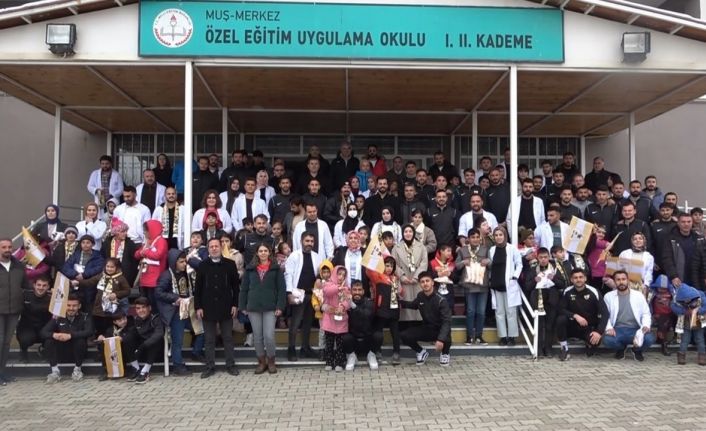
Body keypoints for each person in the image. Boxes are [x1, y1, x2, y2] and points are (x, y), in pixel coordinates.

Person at [195, 237, 240, 378]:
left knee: (227, 337)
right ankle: (210, 366)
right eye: (211, 246)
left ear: (221, 247)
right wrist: (198, 306)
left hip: (226, 306)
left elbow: (235, 287)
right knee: (209, 339)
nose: (214, 249)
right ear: (208, 249)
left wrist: (235, 304)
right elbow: (198, 289)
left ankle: (230, 365)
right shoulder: (202, 265)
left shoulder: (230, 264)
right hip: (207, 307)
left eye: (216, 246)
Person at [155, 249, 197, 376]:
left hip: (188, 309)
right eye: (181, 262)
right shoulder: (166, 275)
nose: (184, 264)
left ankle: (196, 353)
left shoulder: (186, 274)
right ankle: (177, 365)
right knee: (177, 340)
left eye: (185, 261)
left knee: (200, 330)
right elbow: (158, 292)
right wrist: (175, 298)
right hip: (175, 312)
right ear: (174, 262)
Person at [400, 271, 452, 366]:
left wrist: (440, 339)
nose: (425, 284)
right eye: (422, 282)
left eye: (427, 281)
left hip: (440, 330)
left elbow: (446, 322)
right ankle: (421, 352)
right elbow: (413, 305)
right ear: (420, 284)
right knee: (405, 335)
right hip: (427, 329)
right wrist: (399, 302)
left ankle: (445, 353)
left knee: (446, 335)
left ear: (432, 282)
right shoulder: (420, 296)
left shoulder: (441, 300)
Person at [285, 232, 323, 361]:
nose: (309, 244)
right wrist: (289, 293)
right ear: (301, 241)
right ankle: (291, 349)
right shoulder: (294, 255)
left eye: (312, 241)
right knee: (295, 323)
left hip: (311, 295)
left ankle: (305, 348)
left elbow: (320, 274)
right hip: (298, 294)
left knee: (307, 323)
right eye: (307, 241)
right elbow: (288, 274)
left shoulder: (317, 256)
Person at [602, 270, 655, 361]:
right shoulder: (608, 296)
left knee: (650, 338)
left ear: (628, 280)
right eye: (618, 280)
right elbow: (605, 315)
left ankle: (637, 350)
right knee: (607, 340)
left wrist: (646, 325)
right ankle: (621, 349)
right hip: (617, 329)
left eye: (623, 279)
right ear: (614, 281)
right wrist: (609, 328)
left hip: (636, 329)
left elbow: (646, 313)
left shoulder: (638, 295)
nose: (621, 282)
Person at [555, 269, 607, 361]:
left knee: (596, 342)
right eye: (575, 278)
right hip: (571, 327)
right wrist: (575, 316)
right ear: (571, 280)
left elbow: (605, 313)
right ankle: (564, 348)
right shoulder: (567, 291)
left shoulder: (594, 291)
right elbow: (560, 309)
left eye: (580, 277)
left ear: (585, 278)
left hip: (587, 327)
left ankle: (588, 343)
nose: (578, 280)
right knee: (561, 319)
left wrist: (599, 332)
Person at [42, 294, 93, 383]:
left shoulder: (85, 317)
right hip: (61, 351)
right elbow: (43, 332)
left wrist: (70, 335)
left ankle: (77, 370)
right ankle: (55, 372)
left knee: (80, 340)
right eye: (68, 305)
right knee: (49, 341)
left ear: (79, 306)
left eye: (74, 306)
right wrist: (55, 335)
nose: (71, 308)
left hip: (77, 352)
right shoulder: (58, 317)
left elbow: (89, 331)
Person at [75, 257, 130, 336]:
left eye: (112, 267)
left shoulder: (120, 278)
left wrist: (116, 294)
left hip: (112, 309)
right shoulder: (101, 275)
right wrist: (78, 282)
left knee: (109, 329)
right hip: (99, 308)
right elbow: (89, 282)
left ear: (117, 268)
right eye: (108, 266)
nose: (109, 269)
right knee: (99, 328)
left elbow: (127, 291)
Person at [489, 227, 522, 346]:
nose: (498, 237)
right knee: (499, 312)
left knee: (511, 312)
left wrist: (515, 276)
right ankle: (503, 336)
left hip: (509, 284)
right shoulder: (492, 250)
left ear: (505, 235)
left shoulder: (512, 248)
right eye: (496, 235)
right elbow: (491, 266)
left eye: (500, 235)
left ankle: (512, 337)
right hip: (496, 283)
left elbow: (519, 264)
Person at [456, 228, 490, 345]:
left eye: (477, 237)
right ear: (468, 239)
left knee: (481, 311)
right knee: (470, 311)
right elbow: (457, 266)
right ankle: (470, 336)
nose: (475, 239)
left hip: (483, 284)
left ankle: (479, 336)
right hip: (469, 285)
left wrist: (488, 262)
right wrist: (462, 262)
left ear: (480, 238)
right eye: (473, 237)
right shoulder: (463, 250)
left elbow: (492, 264)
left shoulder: (486, 249)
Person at [366, 256, 402, 365]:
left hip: (394, 309)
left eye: (391, 266)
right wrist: (375, 256)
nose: (389, 268)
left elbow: (401, 292)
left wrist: (398, 288)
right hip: (382, 308)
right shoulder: (378, 276)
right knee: (378, 331)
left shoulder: (395, 278)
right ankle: (377, 351)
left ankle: (396, 352)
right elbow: (369, 271)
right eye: (387, 265)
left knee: (395, 331)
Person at [393, 224, 429, 318]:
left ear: (413, 233)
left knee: (419, 309)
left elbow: (424, 263)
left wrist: (417, 277)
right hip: (404, 282)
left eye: (410, 231)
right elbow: (393, 264)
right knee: (406, 311)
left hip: (417, 282)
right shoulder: (396, 248)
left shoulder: (421, 247)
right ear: (402, 233)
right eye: (405, 232)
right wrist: (402, 276)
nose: (408, 234)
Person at [61, 235, 105, 312]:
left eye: (88, 243)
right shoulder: (76, 254)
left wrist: (84, 275)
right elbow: (66, 267)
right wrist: (75, 274)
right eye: (83, 242)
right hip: (75, 284)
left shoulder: (97, 256)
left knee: (88, 307)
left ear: (93, 244)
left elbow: (98, 268)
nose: (85, 245)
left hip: (90, 286)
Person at [343, 280, 380, 371]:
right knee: (344, 337)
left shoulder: (369, 302)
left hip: (367, 339)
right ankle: (352, 356)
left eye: (359, 290)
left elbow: (366, 315)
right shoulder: (346, 302)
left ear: (363, 291)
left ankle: (371, 355)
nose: (357, 292)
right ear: (351, 291)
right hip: (353, 341)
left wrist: (353, 306)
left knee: (378, 335)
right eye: (354, 290)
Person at [320, 266, 351, 372]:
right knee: (329, 343)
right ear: (334, 274)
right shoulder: (328, 284)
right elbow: (327, 292)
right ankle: (329, 362)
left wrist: (343, 306)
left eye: (343, 275)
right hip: (329, 319)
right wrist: (338, 288)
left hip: (341, 319)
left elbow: (348, 301)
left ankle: (339, 362)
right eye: (339, 274)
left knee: (340, 343)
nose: (341, 277)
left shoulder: (346, 287)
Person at [15, 274, 51, 363]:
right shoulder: (25, 295)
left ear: (48, 287)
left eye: (44, 285)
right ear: (34, 285)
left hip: (44, 327)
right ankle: (23, 353)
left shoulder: (52, 298)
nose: (41, 288)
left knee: (52, 335)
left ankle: (45, 351)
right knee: (25, 339)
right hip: (27, 327)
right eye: (39, 285)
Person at [128, 297, 164, 384]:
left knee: (155, 340)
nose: (141, 310)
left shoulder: (156, 319)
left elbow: (159, 334)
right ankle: (136, 369)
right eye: (138, 308)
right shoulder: (136, 320)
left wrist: (143, 346)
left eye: (143, 307)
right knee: (128, 338)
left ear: (149, 308)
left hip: (156, 354)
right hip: (141, 352)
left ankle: (145, 371)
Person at [134, 220, 168, 308]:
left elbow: (158, 255)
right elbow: (136, 254)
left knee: (153, 303)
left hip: (155, 278)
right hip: (145, 276)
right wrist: (142, 252)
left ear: (152, 230)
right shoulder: (148, 241)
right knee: (144, 302)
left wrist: (145, 252)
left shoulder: (161, 241)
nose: (144, 233)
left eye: (146, 231)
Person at [95, 311, 137, 381]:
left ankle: (132, 369)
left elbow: (131, 337)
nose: (123, 321)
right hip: (114, 353)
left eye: (124, 319)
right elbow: (106, 338)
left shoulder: (130, 327)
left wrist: (122, 338)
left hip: (127, 352)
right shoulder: (110, 330)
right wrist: (101, 337)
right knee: (103, 344)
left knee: (126, 343)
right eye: (120, 320)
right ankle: (105, 369)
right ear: (114, 322)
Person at [663, 212, 702, 288]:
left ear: (692, 223)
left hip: (697, 279)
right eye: (683, 222)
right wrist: (673, 276)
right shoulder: (670, 239)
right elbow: (667, 259)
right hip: (679, 278)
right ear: (678, 223)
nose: (686, 224)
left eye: (689, 222)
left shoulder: (699, 238)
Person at [671, 282, 706, 366]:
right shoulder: (676, 298)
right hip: (685, 324)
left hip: (699, 323)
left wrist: (699, 311)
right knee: (685, 340)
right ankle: (681, 356)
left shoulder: (701, 295)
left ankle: (702, 356)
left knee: (700, 340)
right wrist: (684, 311)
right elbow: (673, 306)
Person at [101, 218, 139, 287]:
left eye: (126, 231)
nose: (125, 233)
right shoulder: (107, 242)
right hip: (109, 273)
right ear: (116, 232)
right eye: (123, 232)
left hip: (125, 276)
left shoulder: (130, 243)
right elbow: (103, 257)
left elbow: (134, 262)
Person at [648, 275, 676, 356]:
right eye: (660, 288)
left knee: (667, 323)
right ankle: (664, 345)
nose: (662, 290)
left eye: (664, 288)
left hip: (669, 314)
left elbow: (675, 303)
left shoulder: (671, 294)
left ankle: (662, 339)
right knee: (663, 324)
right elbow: (649, 303)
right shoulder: (653, 294)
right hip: (657, 314)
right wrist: (651, 313)